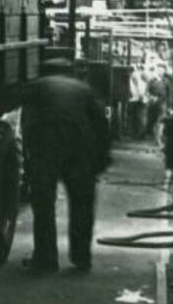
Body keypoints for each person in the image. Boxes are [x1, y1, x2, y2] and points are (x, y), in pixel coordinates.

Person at [18, 59, 112, 273]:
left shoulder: (37, 86)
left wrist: (29, 157)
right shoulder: (83, 89)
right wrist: (102, 158)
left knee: (43, 204)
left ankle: (46, 259)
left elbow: (24, 120)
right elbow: (101, 125)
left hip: (46, 147)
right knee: (82, 203)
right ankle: (81, 258)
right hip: (80, 148)